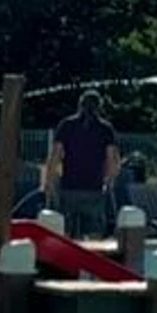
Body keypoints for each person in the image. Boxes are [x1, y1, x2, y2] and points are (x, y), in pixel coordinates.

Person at [45, 90, 121, 238]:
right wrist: (108, 181)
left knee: (65, 231)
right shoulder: (105, 129)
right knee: (94, 232)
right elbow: (112, 160)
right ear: (99, 107)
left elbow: (55, 156)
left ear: (79, 105)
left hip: (69, 186)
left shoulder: (67, 125)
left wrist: (50, 182)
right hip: (93, 188)